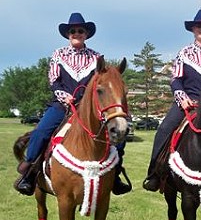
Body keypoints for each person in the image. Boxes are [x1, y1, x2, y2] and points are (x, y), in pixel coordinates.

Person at [14, 12, 131, 196]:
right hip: (62, 106)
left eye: (81, 31)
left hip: (88, 110)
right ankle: (29, 173)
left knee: (117, 138)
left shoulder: (96, 58)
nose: (77, 33)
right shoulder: (58, 54)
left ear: (86, 34)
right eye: (73, 31)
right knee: (41, 132)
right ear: (68, 34)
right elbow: (53, 80)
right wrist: (64, 96)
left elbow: (102, 83)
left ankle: (115, 175)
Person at [143, 9, 201, 191]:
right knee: (163, 130)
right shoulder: (184, 53)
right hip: (188, 102)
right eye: (199, 26)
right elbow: (175, 80)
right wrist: (182, 98)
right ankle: (154, 173)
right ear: (193, 29)